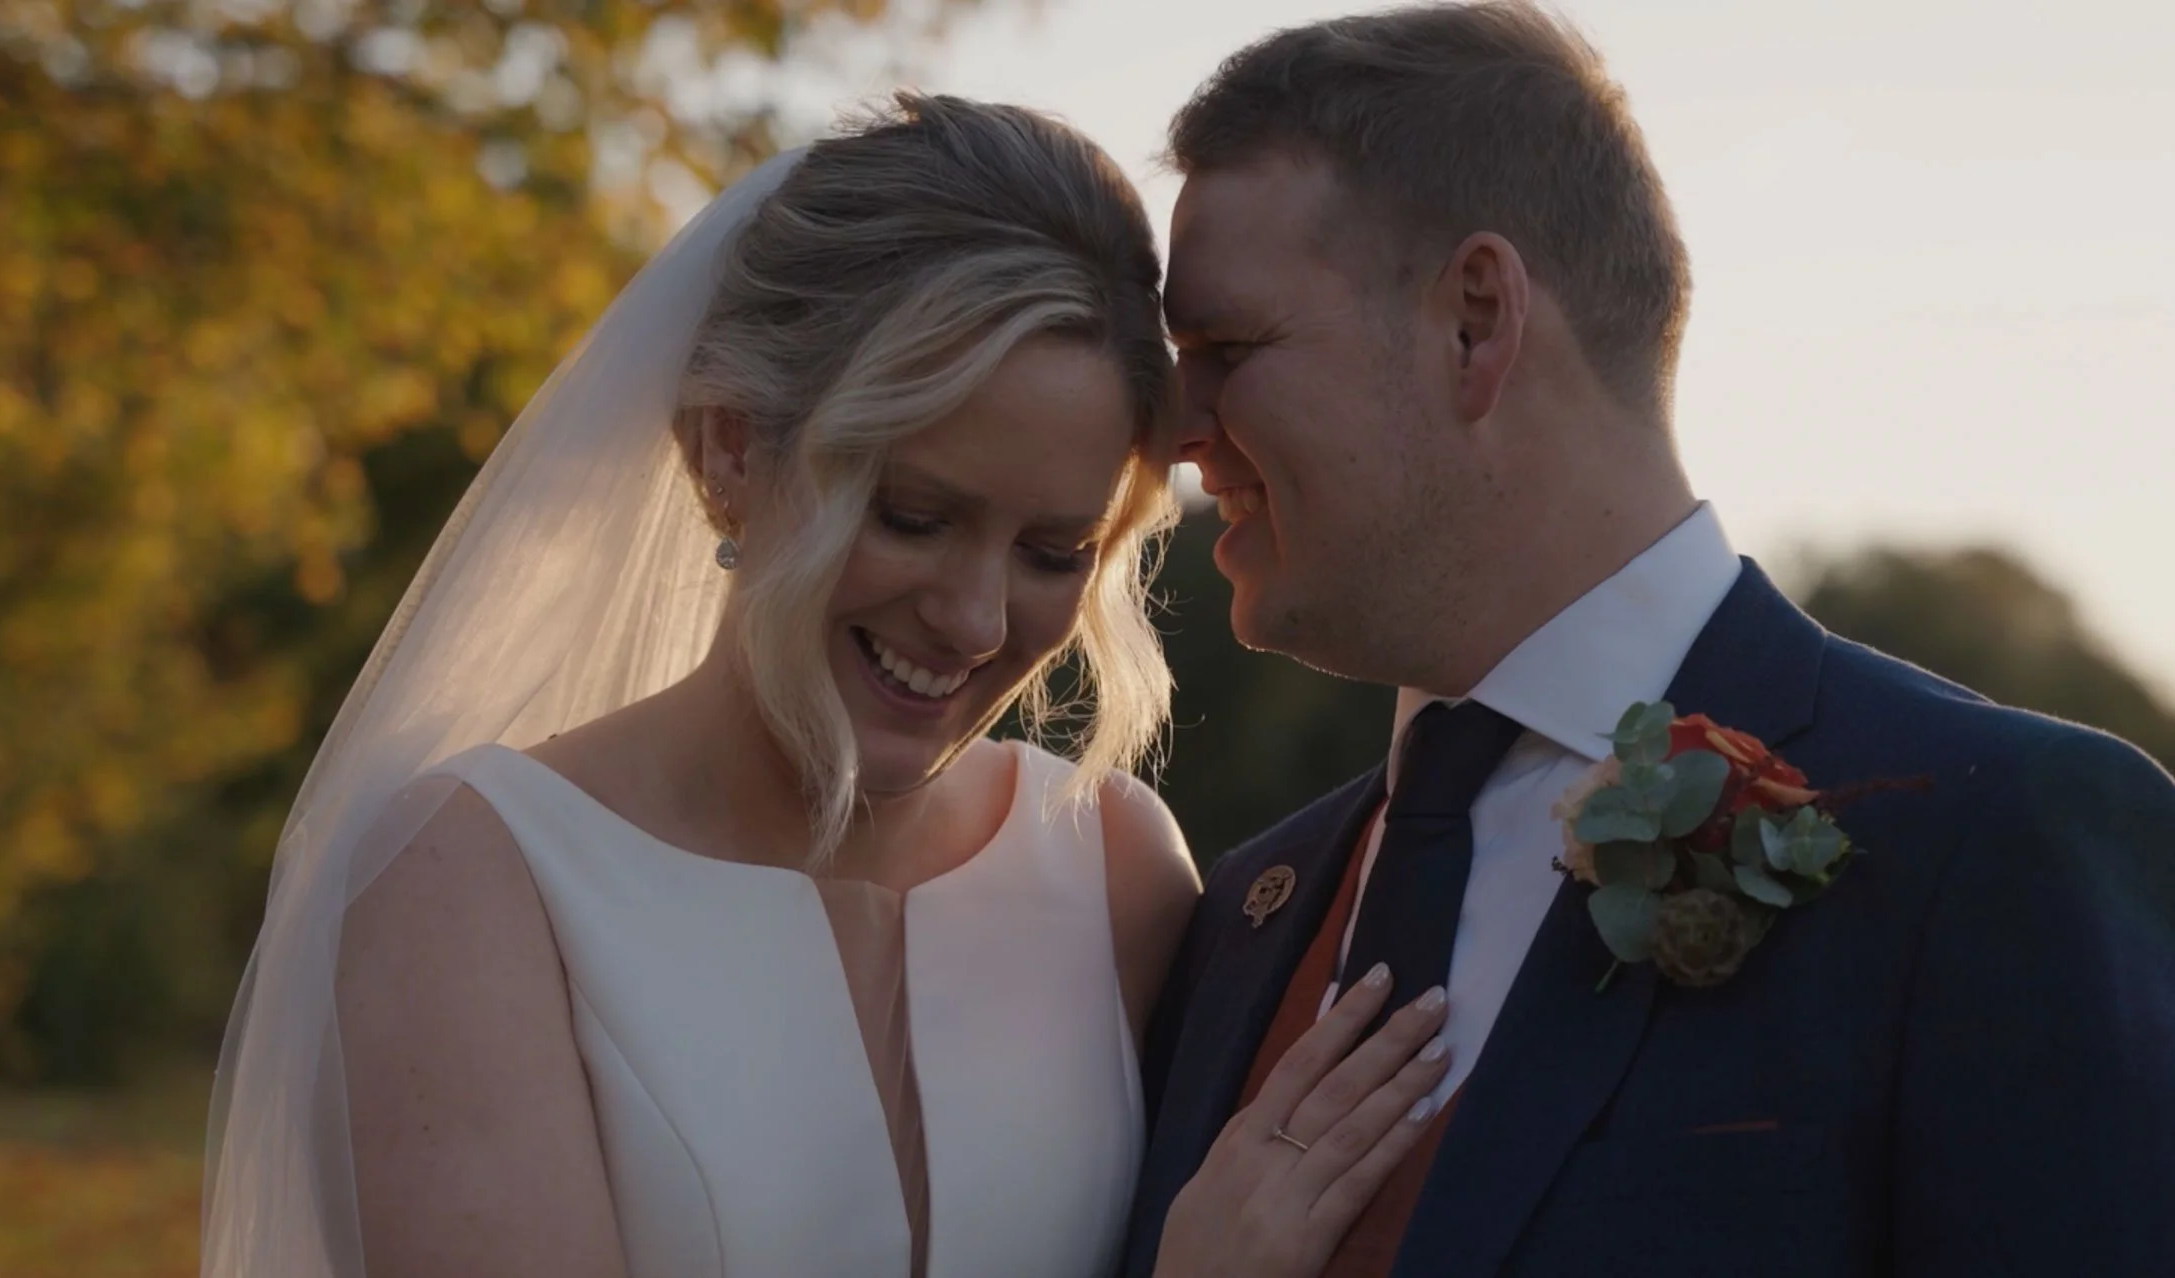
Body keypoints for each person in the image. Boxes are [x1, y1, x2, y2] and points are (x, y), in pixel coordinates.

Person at [202, 94, 1447, 1278]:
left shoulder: (1117, 866)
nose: (970, 620)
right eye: (910, 515)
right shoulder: (469, 879)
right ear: (729, 448)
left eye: (1051, 552)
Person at [1124, 5, 2175, 1276]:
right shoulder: (1238, 912)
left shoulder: (1998, 838)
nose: (1177, 429)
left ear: (1476, 318)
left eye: (1225, 348)